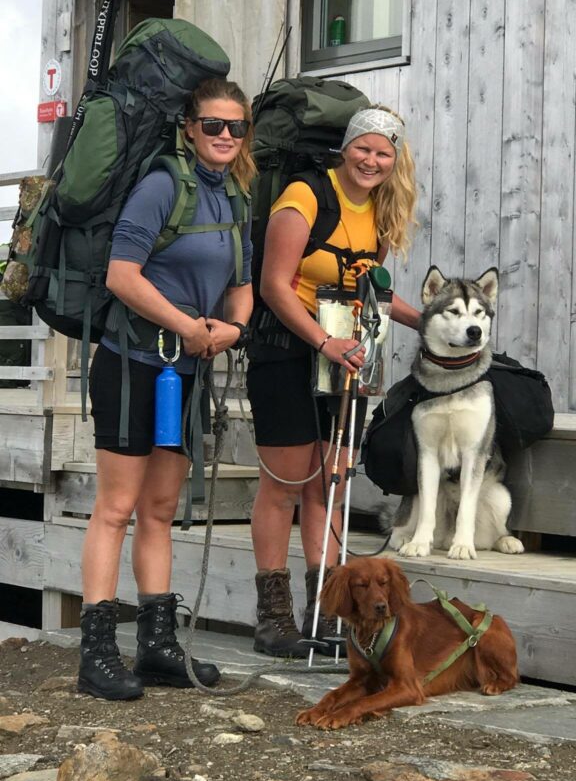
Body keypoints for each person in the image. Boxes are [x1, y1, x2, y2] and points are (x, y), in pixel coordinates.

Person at [79, 78, 256, 700]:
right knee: (117, 507)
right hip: (132, 364)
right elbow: (122, 276)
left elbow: (243, 283)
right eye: (214, 125)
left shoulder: (235, 197)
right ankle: (97, 653)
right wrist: (187, 326)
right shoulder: (161, 186)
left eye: (237, 127)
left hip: (188, 370)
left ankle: (156, 647)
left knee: (159, 509)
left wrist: (232, 328)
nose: (226, 137)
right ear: (188, 126)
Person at [246, 106, 420, 657]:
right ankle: (273, 618)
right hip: (287, 354)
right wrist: (322, 342)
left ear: (396, 161)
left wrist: (433, 319)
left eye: (383, 152)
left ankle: (327, 613)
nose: (371, 160)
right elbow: (273, 285)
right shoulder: (304, 197)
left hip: (345, 363)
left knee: (332, 487)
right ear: (346, 148)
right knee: (285, 486)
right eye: (363, 148)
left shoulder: (383, 213)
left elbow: (375, 295)